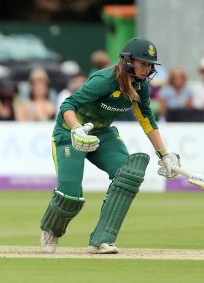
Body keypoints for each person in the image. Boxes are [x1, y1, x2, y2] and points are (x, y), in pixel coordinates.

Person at [39, 37, 181, 255]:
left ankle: (101, 240)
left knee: (128, 174)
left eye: (149, 64)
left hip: (102, 133)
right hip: (70, 133)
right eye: (141, 63)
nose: (146, 69)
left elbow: (146, 118)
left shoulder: (140, 86)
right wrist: (77, 128)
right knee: (70, 194)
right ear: (126, 61)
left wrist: (164, 154)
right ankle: (51, 229)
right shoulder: (104, 80)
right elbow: (68, 105)